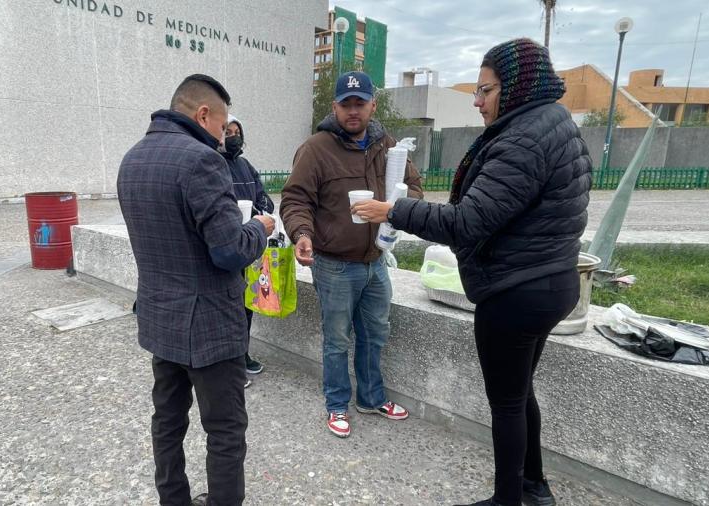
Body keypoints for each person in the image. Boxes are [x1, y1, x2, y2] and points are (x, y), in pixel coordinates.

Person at [353, 38, 591, 506]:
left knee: (506, 402)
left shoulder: (524, 137)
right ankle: (535, 488)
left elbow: (467, 223)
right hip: (552, 281)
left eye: (485, 90)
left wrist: (393, 211)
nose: (478, 101)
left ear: (518, 86)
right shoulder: (554, 123)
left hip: (515, 291)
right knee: (520, 392)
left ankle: (507, 500)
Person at [117, 74, 275, 506]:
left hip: (158, 318)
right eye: (224, 127)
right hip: (209, 327)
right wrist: (259, 228)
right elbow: (228, 251)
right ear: (203, 114)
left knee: (167, 421)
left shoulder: (132, 159)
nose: (225, 138)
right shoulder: (202, 161)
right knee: (224, 430)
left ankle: (174, 499)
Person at [280, 70, 423, 438]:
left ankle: (371, 398)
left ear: (373, 105)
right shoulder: (316, 148)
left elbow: (414, 186)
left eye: (360, 103)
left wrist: (400, 207)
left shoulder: (388, 146)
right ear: (335, 107)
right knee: (337, 338)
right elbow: (296, 199)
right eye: (347, 104)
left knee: (375, 333)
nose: (354, 111)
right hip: (335, 266)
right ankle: (337, 403)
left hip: (376, 262)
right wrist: (302, 234)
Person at [222, 115, 275, 378]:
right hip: (228, 245)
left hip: (251, 245)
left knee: (247, 305)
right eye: (227, 132)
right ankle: (229, 366)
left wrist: (263, 208)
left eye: (236, 132)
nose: (233, 137)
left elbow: (263, 195)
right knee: (228, 308)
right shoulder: (214, 164)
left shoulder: (245, 165)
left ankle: (243, 354)